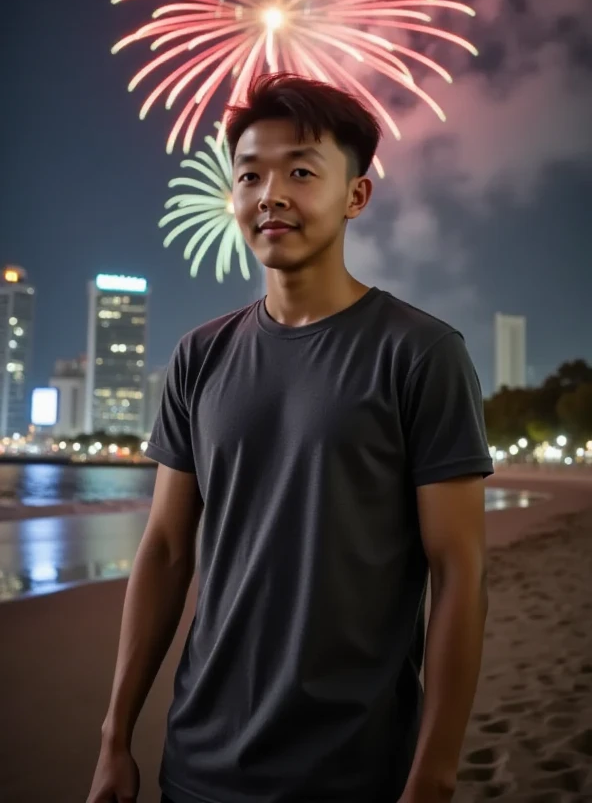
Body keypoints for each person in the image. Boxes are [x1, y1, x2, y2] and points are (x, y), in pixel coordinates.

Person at [87, 73, 492, 803]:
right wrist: (116, 736)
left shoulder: (420, 354)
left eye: (302, 171)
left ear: (355, 197)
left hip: (356, 772)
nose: (270, 193)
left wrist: (433, 774)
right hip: (197, 765)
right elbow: (167, 550)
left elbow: (459, 571)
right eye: (249, 175)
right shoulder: (199, 356)